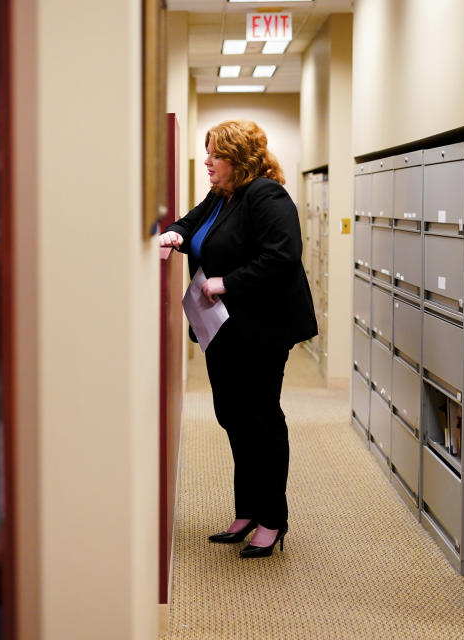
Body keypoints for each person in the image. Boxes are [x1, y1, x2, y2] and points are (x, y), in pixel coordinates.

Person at [159, 119, 317, 559]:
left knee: (261, 421)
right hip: (222, 328)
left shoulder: (267, 195)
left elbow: (283, 255)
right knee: (232, 416)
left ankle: (272, 519)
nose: (208, 162)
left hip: (261, 328)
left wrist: (226, 282)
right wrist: (175, 233)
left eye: (216, 155)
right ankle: (247, 510)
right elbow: (191, 224)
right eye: (207, 153)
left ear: (240, 160)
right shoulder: (221, 195)